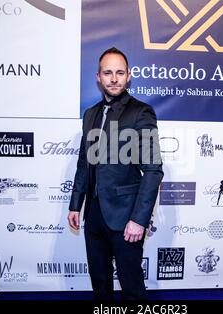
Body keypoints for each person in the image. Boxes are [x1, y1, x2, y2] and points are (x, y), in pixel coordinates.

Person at [68, 47, 163, 300]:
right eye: (107, 73)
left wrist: (139, 220)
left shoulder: (141, 112)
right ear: (98, 77)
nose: (114, 78)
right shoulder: (90, 115)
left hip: (126, 217)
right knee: (100, 285)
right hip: (94, 215)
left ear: (129, 76)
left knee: (132, 289)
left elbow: (153, 170)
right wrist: (76, 204)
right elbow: (83, 162)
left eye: (119, 72)